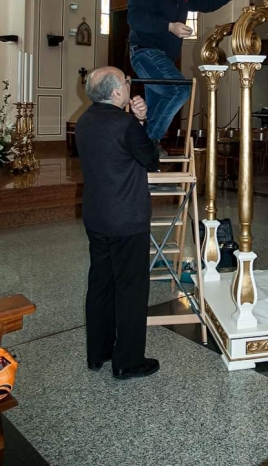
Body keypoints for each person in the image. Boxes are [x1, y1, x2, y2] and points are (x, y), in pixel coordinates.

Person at [128, 0, 258, 152]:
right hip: (145, 53)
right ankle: (148, 142)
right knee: (180, 89)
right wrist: (170, 26)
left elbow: (206, 3)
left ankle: (144, 161)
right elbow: (136, 20)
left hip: (163, 58)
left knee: (156, 107)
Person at [75, 66, 160, 380]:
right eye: (126, 81)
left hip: (97, 216)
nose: (129, 84)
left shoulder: (85, 120)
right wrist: (140, 121)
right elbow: (150, 158)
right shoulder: (124, 124)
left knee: (101, 284)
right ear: (115, 92)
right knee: (131, 289)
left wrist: (134, 120)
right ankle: (128, 361)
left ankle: (98, 353)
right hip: (126, 219)